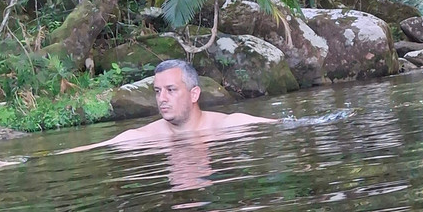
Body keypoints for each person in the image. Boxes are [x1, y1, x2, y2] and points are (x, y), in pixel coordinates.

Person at [60, 59, 276, 153]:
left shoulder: (232, 125)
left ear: (194, 94)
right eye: (157, 91)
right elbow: (96, 148)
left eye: (171, 90)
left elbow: (285, 124)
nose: (162, 98)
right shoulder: (139, 137)